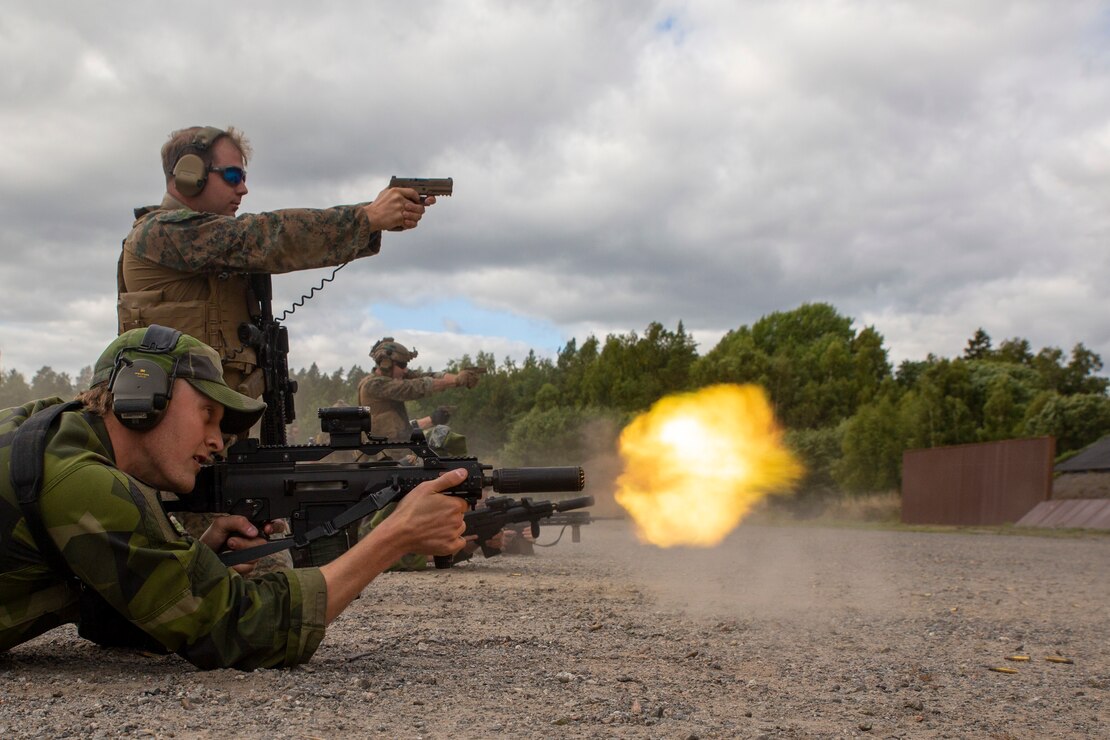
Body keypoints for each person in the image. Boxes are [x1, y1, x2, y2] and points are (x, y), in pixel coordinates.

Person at [0, 326, 467, 669]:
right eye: (206, 414)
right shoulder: (84, 484)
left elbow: (111, 606)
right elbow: (242, 629)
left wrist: (195, 560)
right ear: (141, 396)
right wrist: (394, 535)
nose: (217, 442)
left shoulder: (42, 427)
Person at [116, 125, 434, 399]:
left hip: (206, 423)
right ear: (189, 176)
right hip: (173, 428)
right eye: (231, 175)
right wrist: (368, 217)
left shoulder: (203, 243)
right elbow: (265, 238)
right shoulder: (160, 232)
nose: (243, 188)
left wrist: (376, 216)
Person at [358, 337, 481, 447]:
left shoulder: (388, 378)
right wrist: (456, 381)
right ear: (386, 364)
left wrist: (458, 378)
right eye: (402, 365)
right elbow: (414, 387)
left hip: (393, 451)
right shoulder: (374, 385)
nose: (405, 370)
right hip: (383, 456)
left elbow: (424, 376)